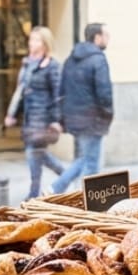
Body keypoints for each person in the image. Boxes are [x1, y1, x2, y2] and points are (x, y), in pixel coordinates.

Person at [50, 23, 114, 194]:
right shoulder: (98, 59)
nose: (108, 39)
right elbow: (104, 93)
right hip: (92, 119)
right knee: (91, 164)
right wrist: (107, 115)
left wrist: (64, 118)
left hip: (74, 119)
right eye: (106, 35)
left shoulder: (70, 59)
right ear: (97, 37)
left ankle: (56, 188)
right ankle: (86, 200)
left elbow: (62, 90)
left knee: (84, 158)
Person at [6, 25, 65, 199]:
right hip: (29, 117)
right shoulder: (27, 63)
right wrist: (12, 113)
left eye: (36, 39)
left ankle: (33, 194)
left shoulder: (52, 66)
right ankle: (66, 175)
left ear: (45, 42)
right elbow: (20, 91)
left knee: (33, 153)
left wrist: (56, 120)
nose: (32, 43)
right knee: (39, 154)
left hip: (44, 118)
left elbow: (58, 95)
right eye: (31, 39)